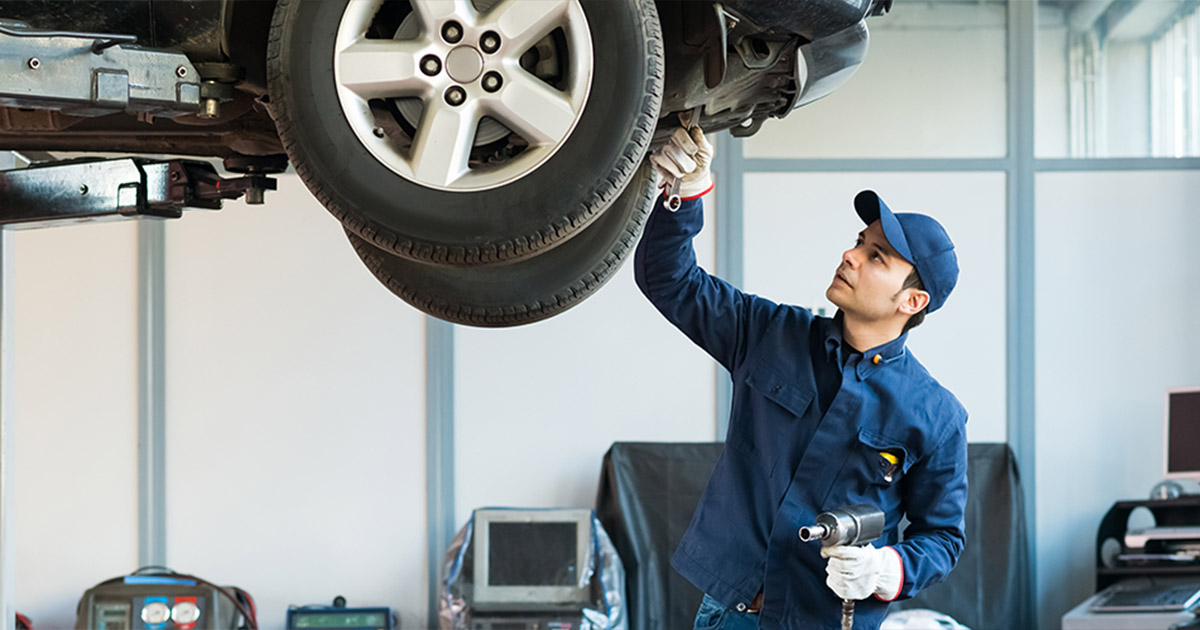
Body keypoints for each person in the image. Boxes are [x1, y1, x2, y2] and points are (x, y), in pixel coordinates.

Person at [634, 126, 969, 630]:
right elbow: (669, 280)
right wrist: (686, 192)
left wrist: (888, 568)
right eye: (859, 242)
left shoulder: (935, 416)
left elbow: (942, 536)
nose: (850, 255)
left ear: (912, 301)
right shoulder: (769, 333)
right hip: (729, 614)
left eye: (876, 256)